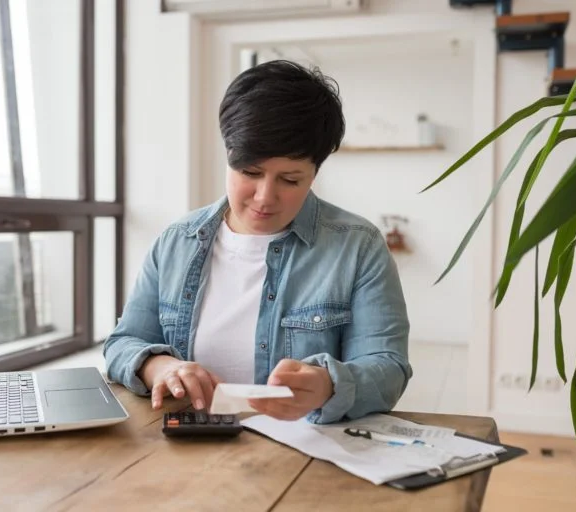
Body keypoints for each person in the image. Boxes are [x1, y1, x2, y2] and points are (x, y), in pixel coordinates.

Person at [104, 60, 411, 424]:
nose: (265, 197)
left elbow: (388, 369)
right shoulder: (176, 242)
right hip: (187, 453)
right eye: (250, 172)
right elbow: (124, 343)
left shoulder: (358, 247)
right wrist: (160, 367)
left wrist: (328, 385)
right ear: (228, 155)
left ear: (316, 172)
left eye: (291, 180)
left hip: (303, 458)